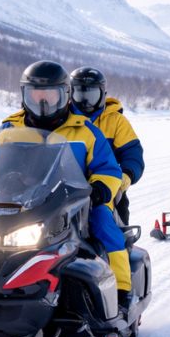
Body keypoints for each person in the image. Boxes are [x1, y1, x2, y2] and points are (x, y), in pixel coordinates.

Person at [1, 61, 132, 311]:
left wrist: (100, 189)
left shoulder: (85, 131)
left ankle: (121, 291)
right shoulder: (9, 129)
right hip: (20, 204)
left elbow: (108, 169)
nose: (42, 103)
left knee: (104, 222)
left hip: (73, 205)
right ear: (23, 95)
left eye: (49, 96)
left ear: (65, 95)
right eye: (35, 95)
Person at [69, 67, 144, 226]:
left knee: (114, 226)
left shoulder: (115, 120)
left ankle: (122, 248)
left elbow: (133, 153)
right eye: (80, 94)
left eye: (91, 95)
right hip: (66, 189)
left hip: (105, 187)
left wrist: (126, 175)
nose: (85, 101)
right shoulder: (62, 119)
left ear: (102, 94)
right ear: (70, 93)